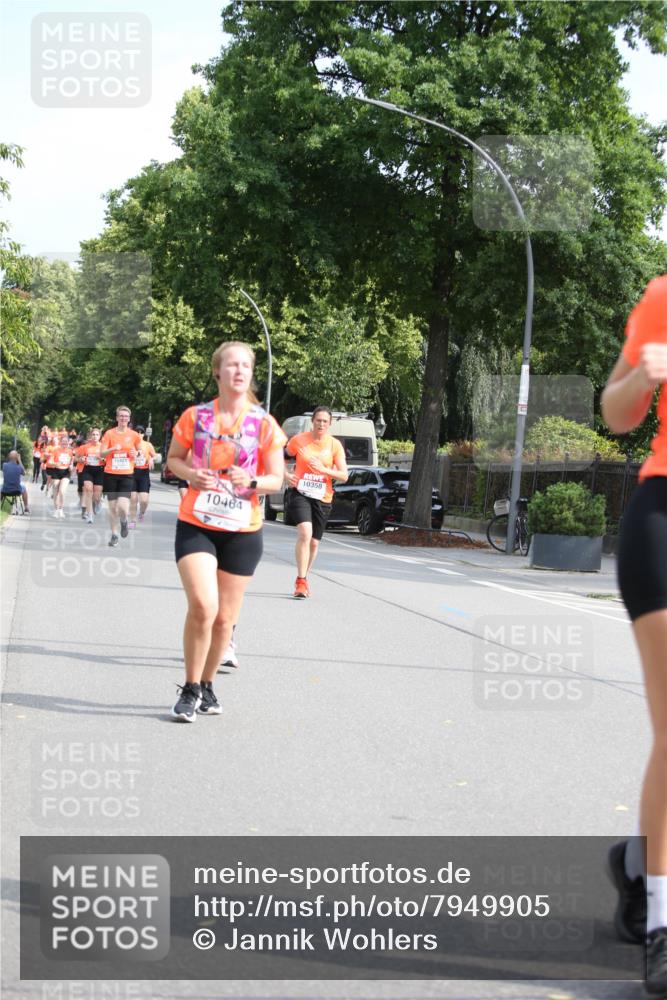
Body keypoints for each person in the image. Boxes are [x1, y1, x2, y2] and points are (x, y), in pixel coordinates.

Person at [601, 273, 667, 996]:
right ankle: (661, 924)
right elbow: (615, 413)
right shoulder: (662, 297)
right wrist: (643, 374)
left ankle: (634, 861)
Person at [166, 340, 286, 722]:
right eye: (231, 364)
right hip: (197, 522)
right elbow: (173, 460)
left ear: (251, 373)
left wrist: (251, 480)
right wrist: (190, 474)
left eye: (246, 366)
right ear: (217, 371)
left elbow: (276, 480)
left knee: (223, 620)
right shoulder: (195, 417)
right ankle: (189, 687)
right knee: (204, 605)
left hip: (242, 529)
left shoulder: (264, 424)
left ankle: (207, 683)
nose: (239, 371)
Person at [284, 406, 348, 598]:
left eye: (325, 421)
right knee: (305, 532)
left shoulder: (334, 445)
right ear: (312, 421)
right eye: (318, 420)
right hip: (300, 493)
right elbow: (279, 457)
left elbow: (343, 475)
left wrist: (324, 469)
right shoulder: (298, 440)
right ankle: (301, 581)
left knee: (313, 543)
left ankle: (304, 577)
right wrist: (286, 475)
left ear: (329, 424)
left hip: (323, 497)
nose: (321, 424)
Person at [99, 406, 141, 547]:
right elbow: (102, 454)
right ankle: (114, 535)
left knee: (122, 508)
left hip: (126, 475)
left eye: (126, 416)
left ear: (129, 419)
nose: (123, 418)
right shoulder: (109, 434)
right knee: (112, 508)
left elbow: (140, 451)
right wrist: (112, 449)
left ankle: (124, 522)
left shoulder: (134, 435)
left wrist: (137, 454)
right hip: (110, 474)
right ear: (117, 418)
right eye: (121, 416)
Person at [129, 425, 156, 528]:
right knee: (133, 499)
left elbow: (155, 456)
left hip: (144, 474)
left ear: (144, 434)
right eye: (137, 432)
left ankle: (142, 512)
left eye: (141, 432)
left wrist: (151, 459)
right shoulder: (130, 444)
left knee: (144, 500)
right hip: (132, 473)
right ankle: (132, 521)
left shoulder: (148, 445)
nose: (139, 434)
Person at [77, 428, 104, 524]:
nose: (95, 436)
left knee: (96, 495)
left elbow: (108, 460)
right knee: (88, 490)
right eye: (93, 434)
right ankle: (90, 515)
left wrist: (102, 458)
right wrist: (81, 459)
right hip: (87, 469)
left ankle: (97, 502)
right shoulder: (85, 447)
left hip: (99, 470)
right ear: (90, 436)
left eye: (97, 435)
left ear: (100, 436)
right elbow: (76, 458)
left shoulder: (103, 447)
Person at [49, 432, 73, 518]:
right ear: (60, 442)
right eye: (63, 442)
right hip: (56, 471)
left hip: (65, 472)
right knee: (55, 489)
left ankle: (61, 509)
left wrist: (71, 466)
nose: (64, 444)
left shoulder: (70, 451)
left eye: (66, 443)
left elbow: (71, 462)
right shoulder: (56, 450)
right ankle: (56, 510)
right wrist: (55, 463)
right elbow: (50, 461)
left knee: (62, 491)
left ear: (68, 443)